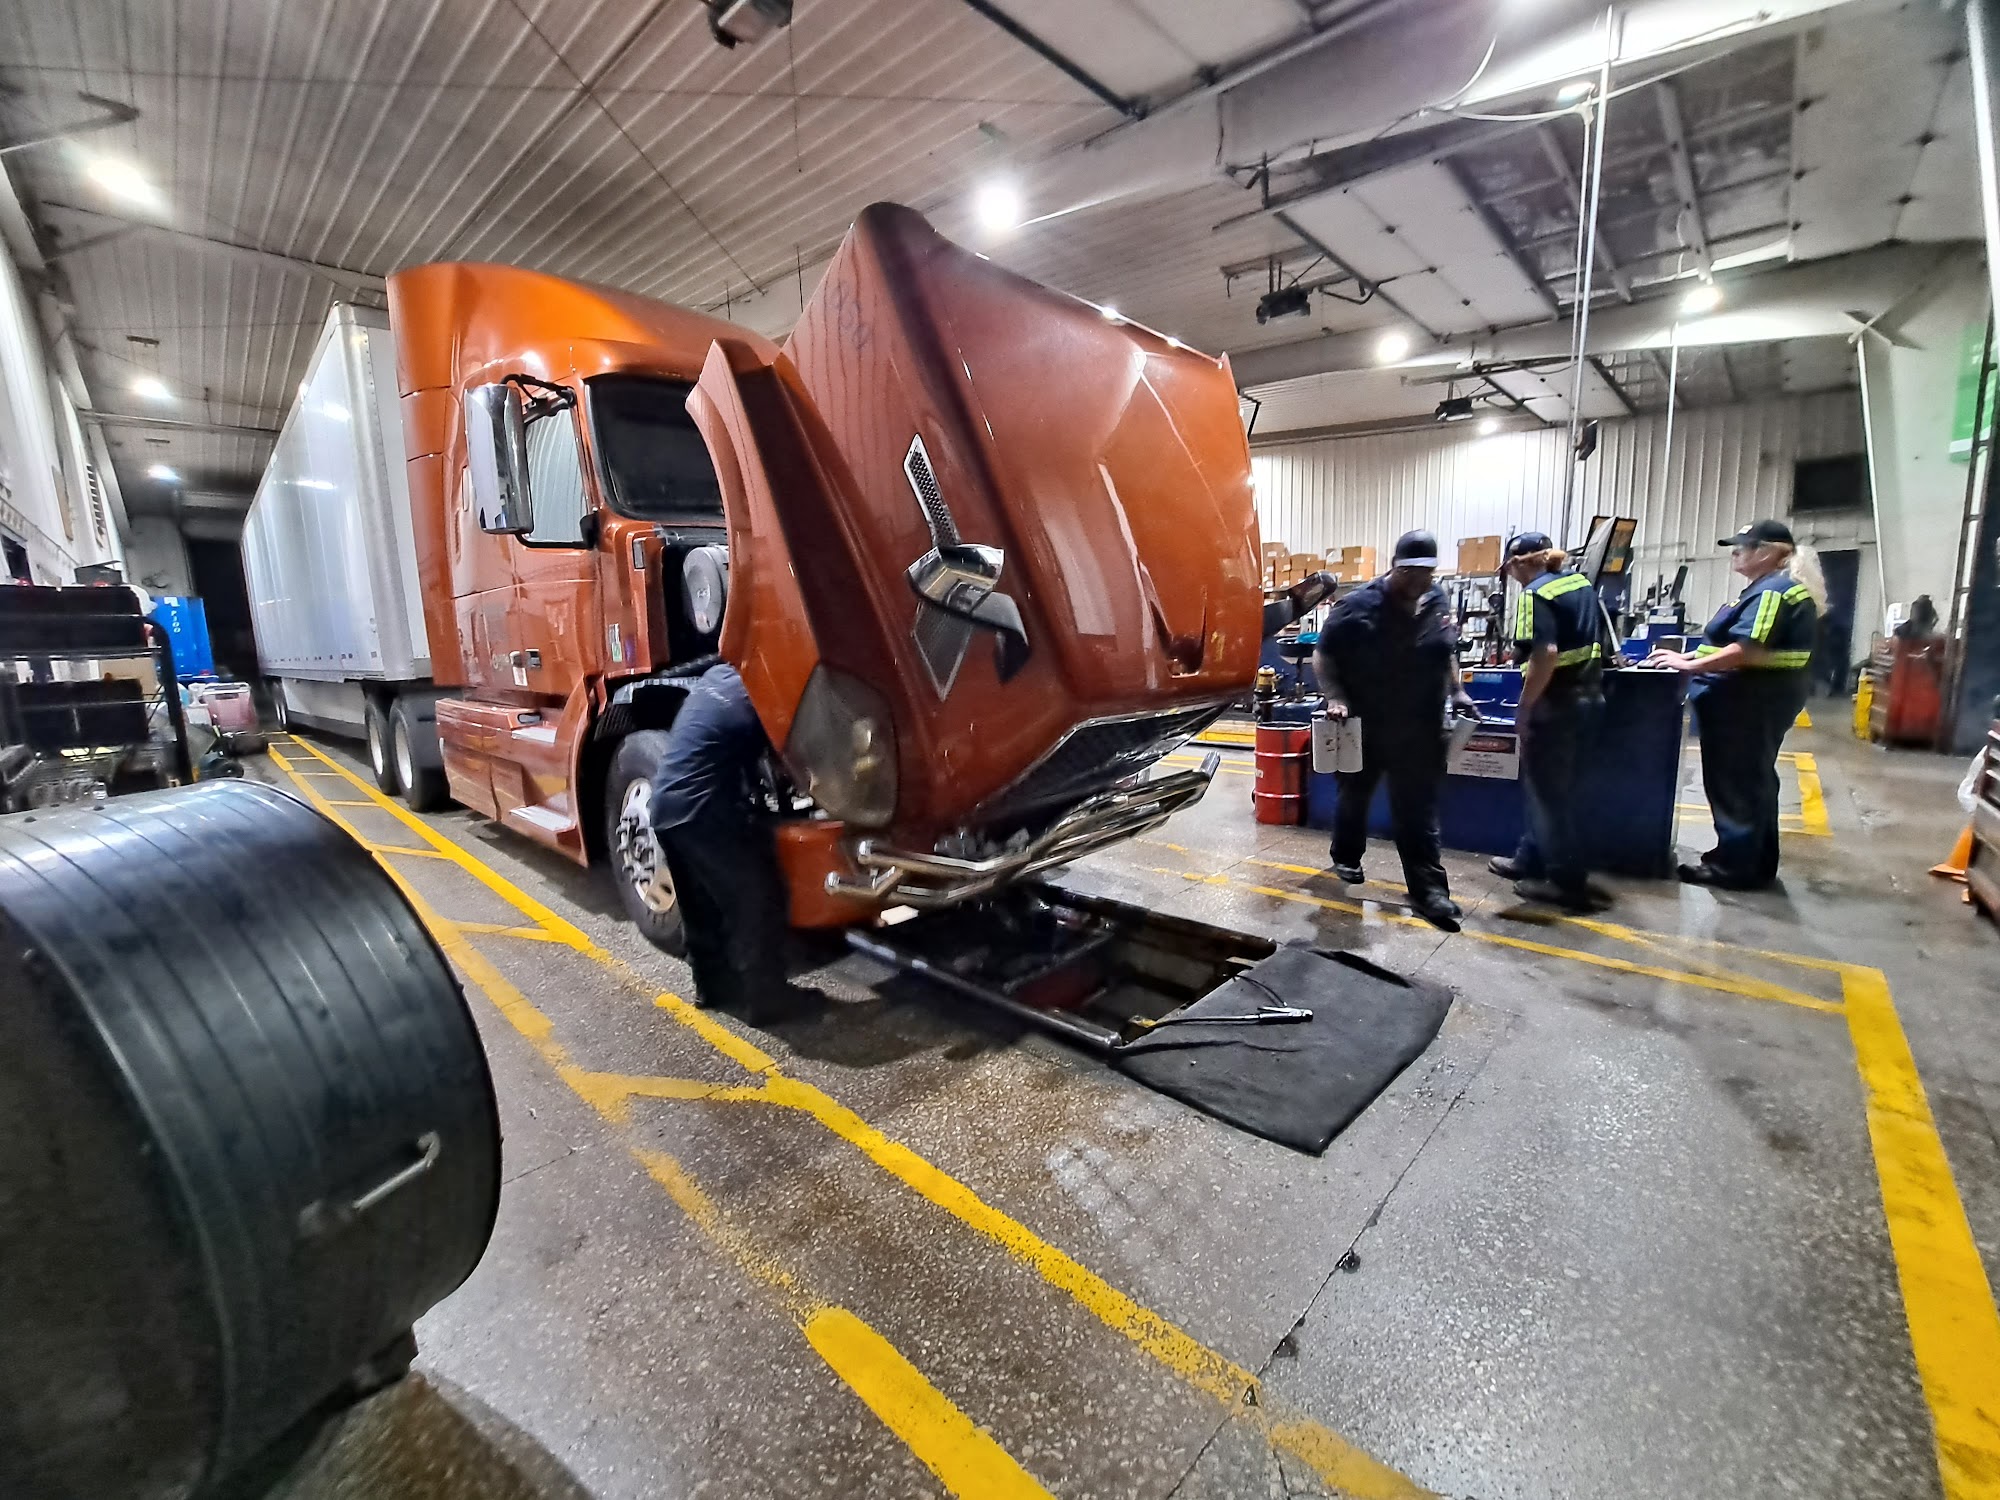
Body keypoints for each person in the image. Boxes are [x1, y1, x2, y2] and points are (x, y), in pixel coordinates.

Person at [1313, 529, 1479, 931]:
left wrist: (1457, 690)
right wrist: (1335, 697)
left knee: (1417, 810)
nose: (1421, 581)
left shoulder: (1436, 600)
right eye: (1412, 573)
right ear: (1396, 568)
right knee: (1355, 795)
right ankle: (1346, 855)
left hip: (1419, 727)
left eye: (1427, 573)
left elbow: (1445, 651)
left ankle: (1429, 891)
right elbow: (1323, 655)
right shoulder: (1357, 606)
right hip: (1366, 724)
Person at [1646, 519, 1823, 890]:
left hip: (1747, 700)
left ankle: (1735, 868)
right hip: (1754, 698)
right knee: (1753, 779)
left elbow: (1747, 650)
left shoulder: (1773, 591)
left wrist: (1689, 666)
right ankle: (1752, 862)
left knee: (1735, 781)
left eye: (1744, 546)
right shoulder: (1769, 589)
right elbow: (1731, 645)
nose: (1736, 553)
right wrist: (1690, 655)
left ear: (1769, 552)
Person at [648, 662, 823, 1024]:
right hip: (704, 810)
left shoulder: (717, 678)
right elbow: (792, 763)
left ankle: (711, 987)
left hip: (665, 806)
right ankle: (768, 1000)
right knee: (756, 898)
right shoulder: (760, 696)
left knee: (700, 906)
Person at [1488, 532, 1610, 910]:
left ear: (1519, 563)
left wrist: (1525, 708)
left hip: (1555, 706)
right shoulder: (1580, 585)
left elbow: (1546, 654)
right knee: (1554, 792)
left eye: (1509, 569)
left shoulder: (1535, 594)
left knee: (1549, 798)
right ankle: (1530, 858)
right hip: (1588, 701)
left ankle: (1565, 882)